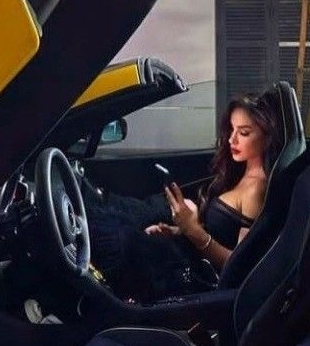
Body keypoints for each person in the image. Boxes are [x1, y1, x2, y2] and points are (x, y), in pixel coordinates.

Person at [86, 93, 281, 302]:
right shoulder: (243, 172)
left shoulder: (257, 190)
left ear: (267, 136)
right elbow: (223, 233)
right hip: (192, 255)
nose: (232, 139)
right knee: (121, 216)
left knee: (122, 236)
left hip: (202, 280)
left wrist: (193, 230)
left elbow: (239, 266)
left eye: (243, 132)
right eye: (232, 130)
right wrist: (178, 231)